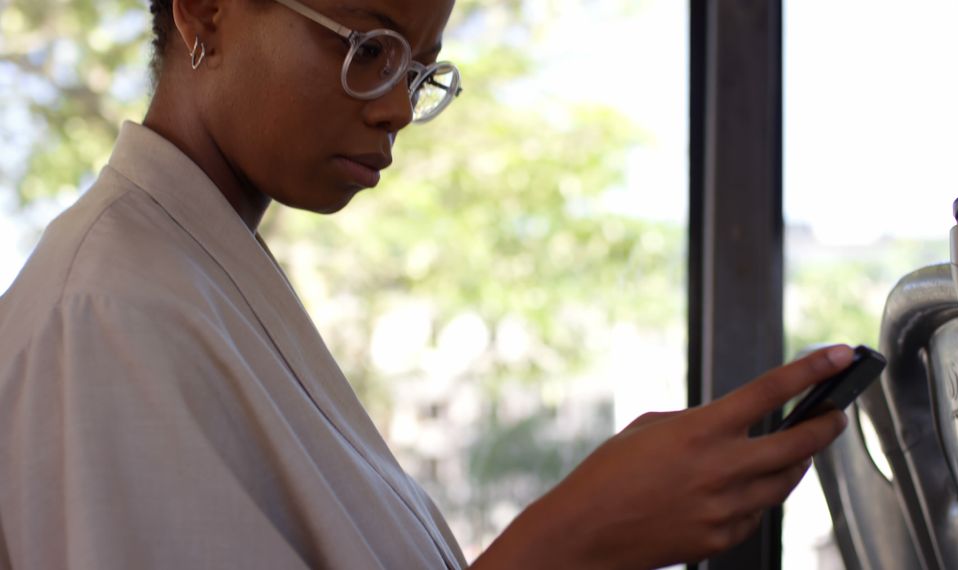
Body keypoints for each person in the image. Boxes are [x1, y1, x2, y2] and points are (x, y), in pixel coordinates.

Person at [0, 0, 852, 568]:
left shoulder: (198, 275)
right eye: (368, 48)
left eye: (417, 70)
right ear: (207, 11)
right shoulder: (108, 310)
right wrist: (572, 539)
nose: (398, 108)